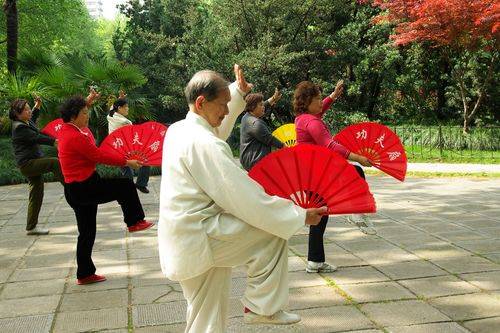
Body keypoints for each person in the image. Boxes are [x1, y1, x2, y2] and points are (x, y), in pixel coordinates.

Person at [158, 65, 326, 333]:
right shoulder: (204, 143)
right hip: (201, 238)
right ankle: (262, 306)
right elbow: (245, 198)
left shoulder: (179, 130)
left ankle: (262, 307)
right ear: (202, 102)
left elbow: (215, 130)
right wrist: (298, 214)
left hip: (186, 239)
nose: (227, 112)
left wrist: (237, 93)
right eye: (223, 105)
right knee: (271, 232)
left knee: (205, 318)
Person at [57, 88, 154, 285]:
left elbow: (77, 110)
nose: (88, 116)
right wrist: (127, 162)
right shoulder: (75, 137)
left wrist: (88, 100)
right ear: (74, 116)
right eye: (84, 113)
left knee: (86, 233)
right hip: (84, 187)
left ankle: (84, 274)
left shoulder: (67, 128)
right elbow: (99, 156)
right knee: (125, 186)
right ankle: (134, 220)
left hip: (74, 189)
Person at [294, 80, 375, 274]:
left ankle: (314, 261)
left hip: (309, 174)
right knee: (356, 171)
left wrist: (334, 96)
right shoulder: (312, 122)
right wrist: (358, 157)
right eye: (318, 99)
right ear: (307, 102)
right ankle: (355, 210)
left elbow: (320, 111)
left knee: (319, 216)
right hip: (316, 175)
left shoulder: (303, 118)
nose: (321, 102)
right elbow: (329, 145)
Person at [10, 95, 63, 235]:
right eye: (26, 110)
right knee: (54, 162)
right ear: (17, 113)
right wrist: (54, 142)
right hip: (28, 164)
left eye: (29, 109)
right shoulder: (19, 127)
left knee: (36, 194)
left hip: (32, 163)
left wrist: (37, 105)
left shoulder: (26, 122)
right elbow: (37, 137)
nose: (29, 112)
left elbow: (33, 117)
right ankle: (71, 187)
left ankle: (31, 227)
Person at [107, 92, 151, 193]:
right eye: (126, 107)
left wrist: (120, 98)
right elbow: (133, 136)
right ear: (119, 108)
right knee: (145, 161)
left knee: (127, 172)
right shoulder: (125, 122)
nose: (128, 109)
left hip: (115, 149)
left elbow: (112, 107)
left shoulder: (111, 115)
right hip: (124, 150)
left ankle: (129, 190)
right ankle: (140, 184)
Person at [239, 90, 284, 171]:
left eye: (263, 104)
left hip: (248, 160)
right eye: (261, 105)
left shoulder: (247, 117)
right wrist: (285, 147)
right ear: (253, 107)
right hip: (255, 161)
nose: (263, 107)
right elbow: (270, 139)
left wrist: (273, 98)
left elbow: (264, 106)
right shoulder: (256, 123)